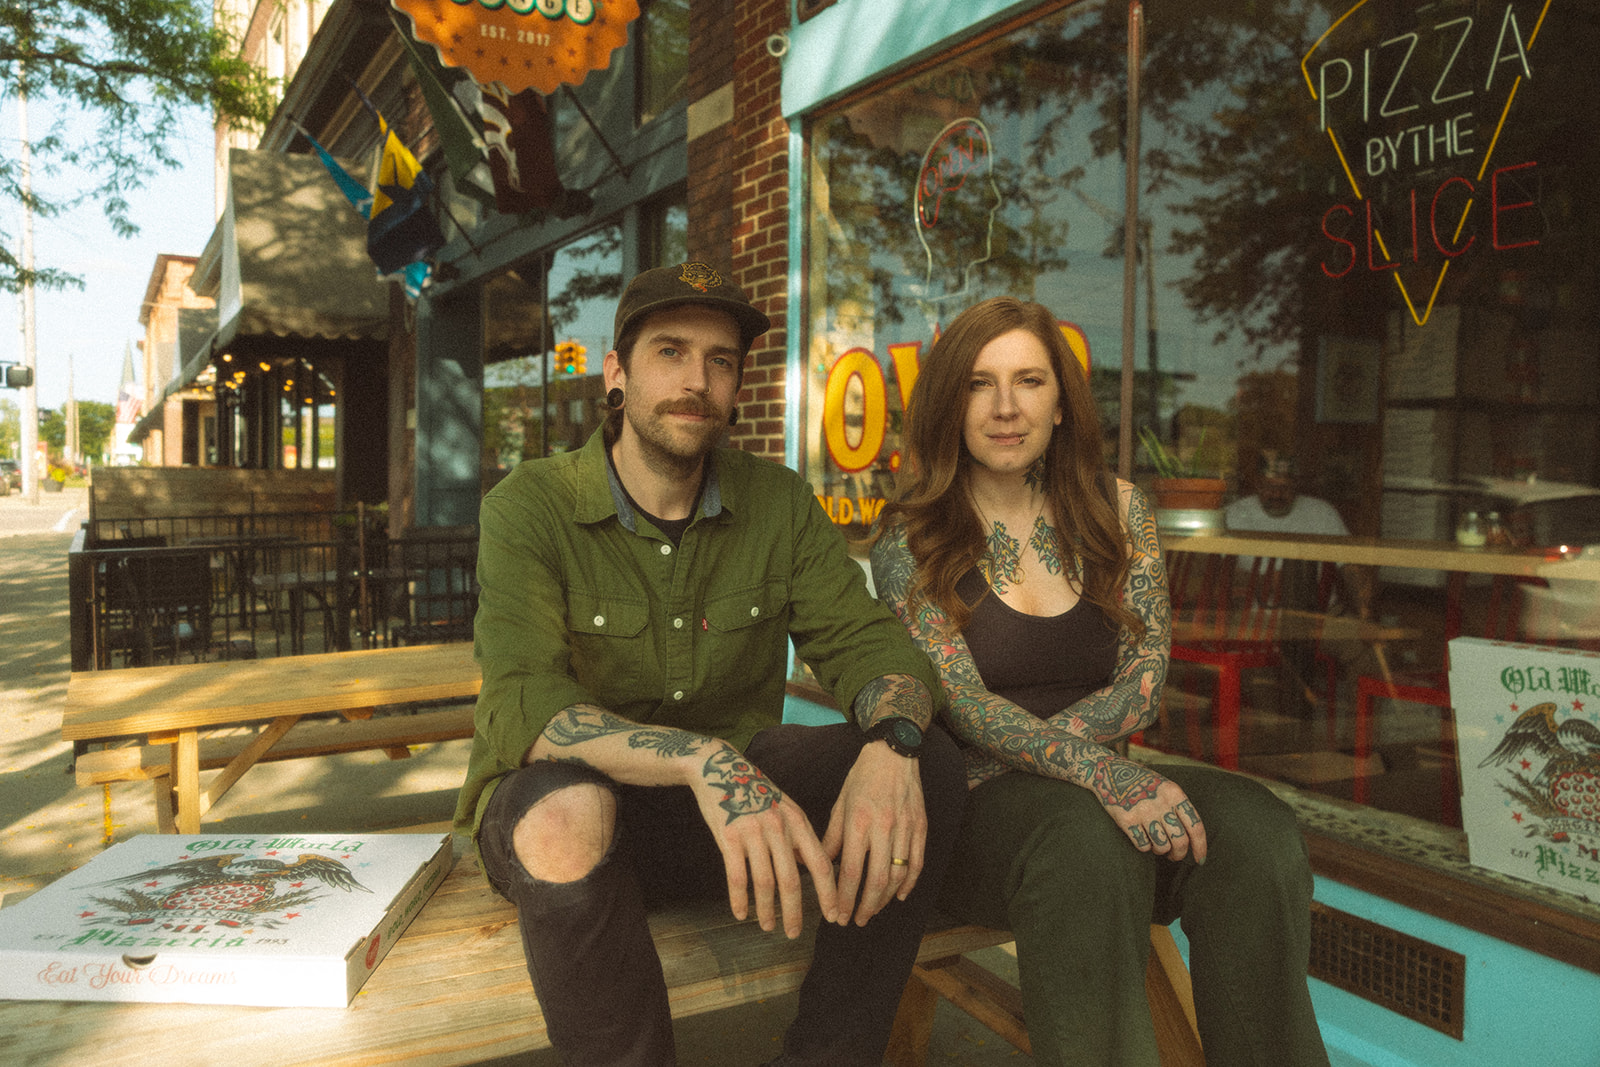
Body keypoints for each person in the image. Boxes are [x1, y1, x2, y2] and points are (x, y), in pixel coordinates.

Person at [454, 262, 967, 1067]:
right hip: (575, 816)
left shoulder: (779, 501)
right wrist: (701, 756)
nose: (696, 380)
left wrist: (892, 742)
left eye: (720, 360)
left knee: (924, 758)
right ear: (617, 372)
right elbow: (526, 703)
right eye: (670, 351)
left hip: (725, 817)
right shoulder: (531, 505)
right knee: (565, 816)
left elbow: (871, 644)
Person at [870, 297, 1329, 1066]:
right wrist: (1106, 771)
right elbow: (968, 707)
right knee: (1084, 841)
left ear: (1061, 402)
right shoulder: (907, 536)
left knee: (1256, 828)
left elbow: (1145, 678)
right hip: (974, 809)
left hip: (1102, 792)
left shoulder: (1119, 510)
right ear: (950, 402)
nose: (1007, 406)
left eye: (1029, 380)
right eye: (981, 384)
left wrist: (1102, 776)